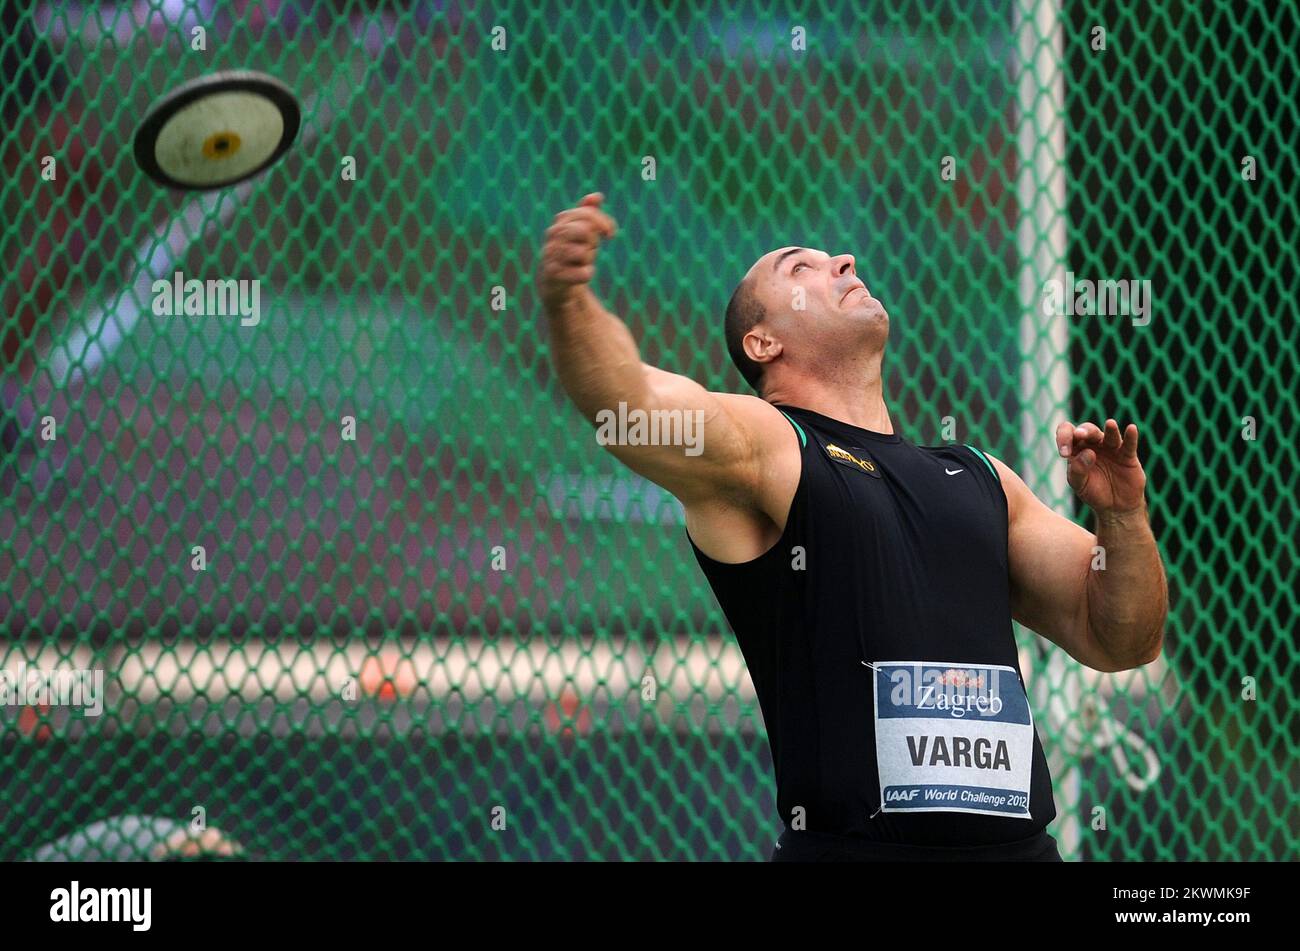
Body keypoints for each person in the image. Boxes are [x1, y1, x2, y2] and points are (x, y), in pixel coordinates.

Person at [538, 193, 1168, 861]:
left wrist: (1123, 514)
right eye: (800, 268)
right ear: (763, 342)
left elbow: (1124, 638)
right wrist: (567, 302)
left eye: (830, 255)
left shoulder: (983, 478)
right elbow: (627, 401)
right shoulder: (770, 448)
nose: (842, 259)